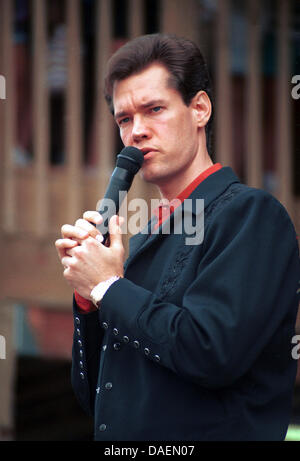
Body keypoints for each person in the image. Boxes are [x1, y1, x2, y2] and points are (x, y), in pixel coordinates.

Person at [55, 34, 300, 441]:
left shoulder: (252, 214)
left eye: (154, 110)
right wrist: (89, 296)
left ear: (199, 108)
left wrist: (108, 286)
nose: (137, 131)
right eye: (124, 119)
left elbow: (210, 353)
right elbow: (98, 396)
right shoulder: (148, 232)